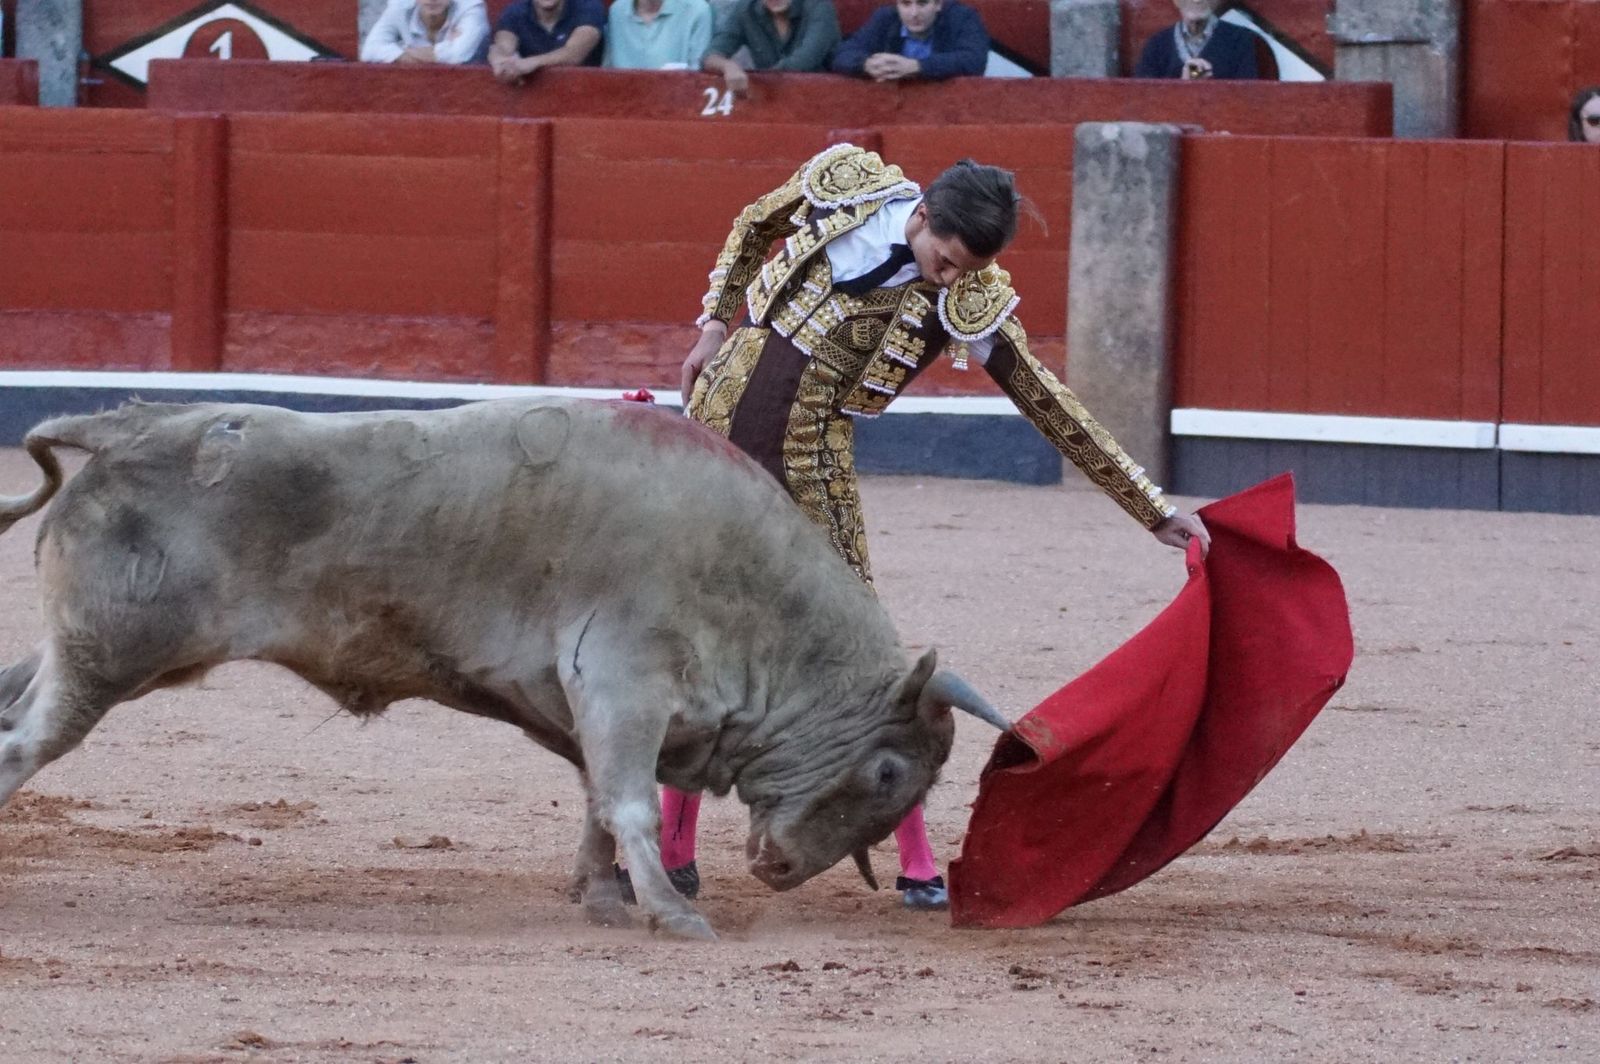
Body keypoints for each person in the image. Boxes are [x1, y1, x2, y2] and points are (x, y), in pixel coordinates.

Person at [653, 144, 1210, 912]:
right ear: (919, 217)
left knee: (871, 669)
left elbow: (1045, 399)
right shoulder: (844, 184)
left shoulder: (966, 299)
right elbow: (754, 224)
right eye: (943, 259)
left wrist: (1151, 509)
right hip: (713, 437)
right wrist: (715, 324)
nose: (949, 281)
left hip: (809, 468)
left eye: (962, 271)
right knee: (691, 641)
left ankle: (915, 859)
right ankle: (671, 850)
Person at [701, 0, 841, 96]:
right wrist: (728, 66)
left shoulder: (819, 6)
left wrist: (759, 80)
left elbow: (803, 61)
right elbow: (710, 55)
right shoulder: (746, 9)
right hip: (771, 102)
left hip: (818, 100)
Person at [832, 0, 988, 82]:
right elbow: (843, 54)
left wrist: (917, 66)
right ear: (897, 4)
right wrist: (866, 64)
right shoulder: (885, 18)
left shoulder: (962, 17)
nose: (914, 13)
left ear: (938, 4)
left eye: (922, 3)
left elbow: (974, 60)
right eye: (906, 3)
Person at [1133, 0, 1258, 81]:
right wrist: (1183, 85)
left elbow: (1246, 99)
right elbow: (1144, 102)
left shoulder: (1240, 39)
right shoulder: (1156, 45)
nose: (1197, 0)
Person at [486, 0, 604, 84]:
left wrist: (532, 62)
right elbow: (503, 45)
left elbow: (574, 53)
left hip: (583, 93)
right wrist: (500, 59)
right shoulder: (515, 12)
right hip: (530, 98)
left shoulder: (588, 6)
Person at [361, 0, 490, 64]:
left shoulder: (471, 8)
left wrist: (404, 51)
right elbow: (369, 50)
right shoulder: (400, 7)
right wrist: (440, 52)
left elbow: (458, 55)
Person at [604, 0, 713, 69]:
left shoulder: (697, 10)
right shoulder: (617, 10)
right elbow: (608, 69)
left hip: (679, 100)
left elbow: (698, 73)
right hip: (622, 99)